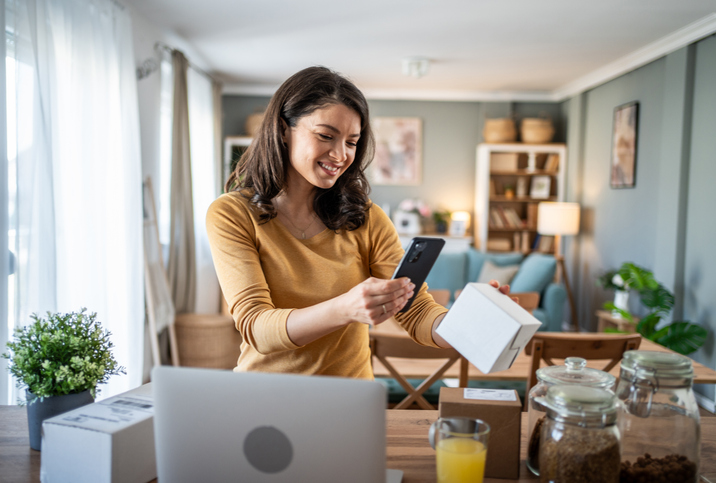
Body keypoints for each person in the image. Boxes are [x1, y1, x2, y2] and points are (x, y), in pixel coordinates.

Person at [206, 66, 510, 379]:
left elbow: (416, 311)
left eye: (352, 142)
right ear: (284, 129)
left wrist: (475, 320)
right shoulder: (232, 214)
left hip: (349, 398)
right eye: (326, 136)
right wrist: (344, 308)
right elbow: (257, 328)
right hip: (264, 398)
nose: (340, 155)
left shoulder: (366, 217)